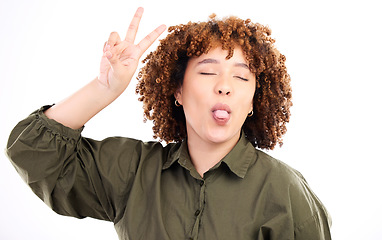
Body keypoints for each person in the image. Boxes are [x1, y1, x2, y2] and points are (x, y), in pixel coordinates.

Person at [6, 7, 331, 240]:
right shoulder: (132, 170)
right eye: (207, 71)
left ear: (252, 102)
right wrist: (104, 89)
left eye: (242, 76)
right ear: (177, 90)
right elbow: (32, 152)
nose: (225, 85)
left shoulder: (285, 191)